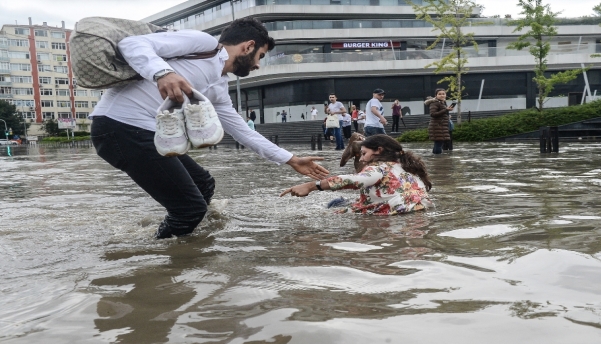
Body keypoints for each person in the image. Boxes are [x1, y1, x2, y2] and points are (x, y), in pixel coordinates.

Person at [89, 17, 328, 239]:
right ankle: (161, 261)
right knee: (190, 209)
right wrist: (162, 73)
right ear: (248, 46)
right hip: (119, 128)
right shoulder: (204, 44)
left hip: (145, 134)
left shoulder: (219, 89)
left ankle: (184, 237)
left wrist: (291, 159)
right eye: (261, 56)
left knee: (204, 184)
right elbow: (131, 44)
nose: (257, 65)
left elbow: (242, 131)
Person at [280, 135, 433, 215]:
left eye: (364, 153)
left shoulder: (379, 168)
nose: (361, 158)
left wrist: (311, 185)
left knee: (334, 205)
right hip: (419, 209)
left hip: (394, 212)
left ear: (378, 151)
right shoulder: (408, 167)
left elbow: (353, 180)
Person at [425, 88, 453, 154]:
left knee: (438, 144)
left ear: (446, 95)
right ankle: (438, 160)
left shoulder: (442, 103)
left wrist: (447, 116)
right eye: (439, 94)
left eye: (443, 94)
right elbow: (433, 114)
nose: (442, 95)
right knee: (439, 144)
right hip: (437, 126)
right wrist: (446, 110)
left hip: (441, 126)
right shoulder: (435, 103)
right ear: (436, 95)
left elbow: (440, 114)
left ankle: (435, 160)